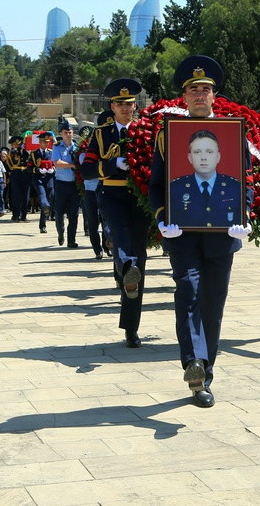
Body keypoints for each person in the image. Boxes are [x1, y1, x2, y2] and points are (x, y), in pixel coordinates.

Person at [149, 56, 253, 408]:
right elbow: (156, 184)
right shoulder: (168, 135)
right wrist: (163, 216)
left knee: (214, 301)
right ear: (184, 96)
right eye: (193, 89)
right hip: (184, 236)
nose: (199, 94)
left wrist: (245, 213)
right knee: (188, 291)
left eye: (205, 89)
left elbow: (245, 181)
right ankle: (194, 364)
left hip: (222, 235)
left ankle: (206, 371)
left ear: (213, 96)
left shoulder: (232, 133)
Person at [81, 78, 150, 349]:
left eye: (129, 104)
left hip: (139, 197)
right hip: (112, 195)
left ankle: (131, 328)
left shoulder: (146, 130)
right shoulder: (101, 134)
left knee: (139, 261)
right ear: (112, 106)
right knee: (120, 239)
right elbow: (86, 170)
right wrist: (111, 165)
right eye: (120, 104)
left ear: (136, 106)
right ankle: (125, 267)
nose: (125, 108)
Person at [168, 129, 242, 227]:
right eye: (197, 152)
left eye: (209, 152)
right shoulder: (175, 188)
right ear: (190, 158)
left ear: (218, 157)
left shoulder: (235, 187)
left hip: (225, 241)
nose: (203, 157)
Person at [80, 111, 113, 259]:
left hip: (103, 189)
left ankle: (109, 244)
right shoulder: (83, 154)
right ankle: (97, 249)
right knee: (93, 222)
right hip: (90, 192)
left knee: (106, 219)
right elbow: (88, 170)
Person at [51, 120, 81, 247]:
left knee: (74, 214)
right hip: (61, 184)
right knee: (59, 212)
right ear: (61, 134)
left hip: (74, 185)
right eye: (65, 132)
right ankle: (60, 232)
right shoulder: (57, 147)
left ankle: (71, 240)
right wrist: (72, 165)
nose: (68, 134)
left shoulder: (78, 147)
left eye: (70, 132)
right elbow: (57, 163)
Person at [31, 133, 55, 233]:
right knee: (42, 194)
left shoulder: (51, 153)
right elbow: (29, 167)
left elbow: (56, 164)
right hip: (38, 178)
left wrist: (53, 170)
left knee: (49, 199)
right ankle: (43, 223)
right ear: (40, 142)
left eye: (47, 142)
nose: (46, 144)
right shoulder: (34, 154)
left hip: (49, 178)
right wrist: (38, 170)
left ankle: (43, 224)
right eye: (44, 142)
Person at [7, 136, 30, 222]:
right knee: (16, 195)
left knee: (26, 196)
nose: (16, 146)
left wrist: (25, 150)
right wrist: (17, 151)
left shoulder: (26, 151)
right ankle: (16, 214)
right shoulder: (12, 152)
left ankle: (24, 215)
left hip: (26, 173)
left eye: (18, 144)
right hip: (16, 173)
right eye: (14, 144)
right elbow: (13, 162)